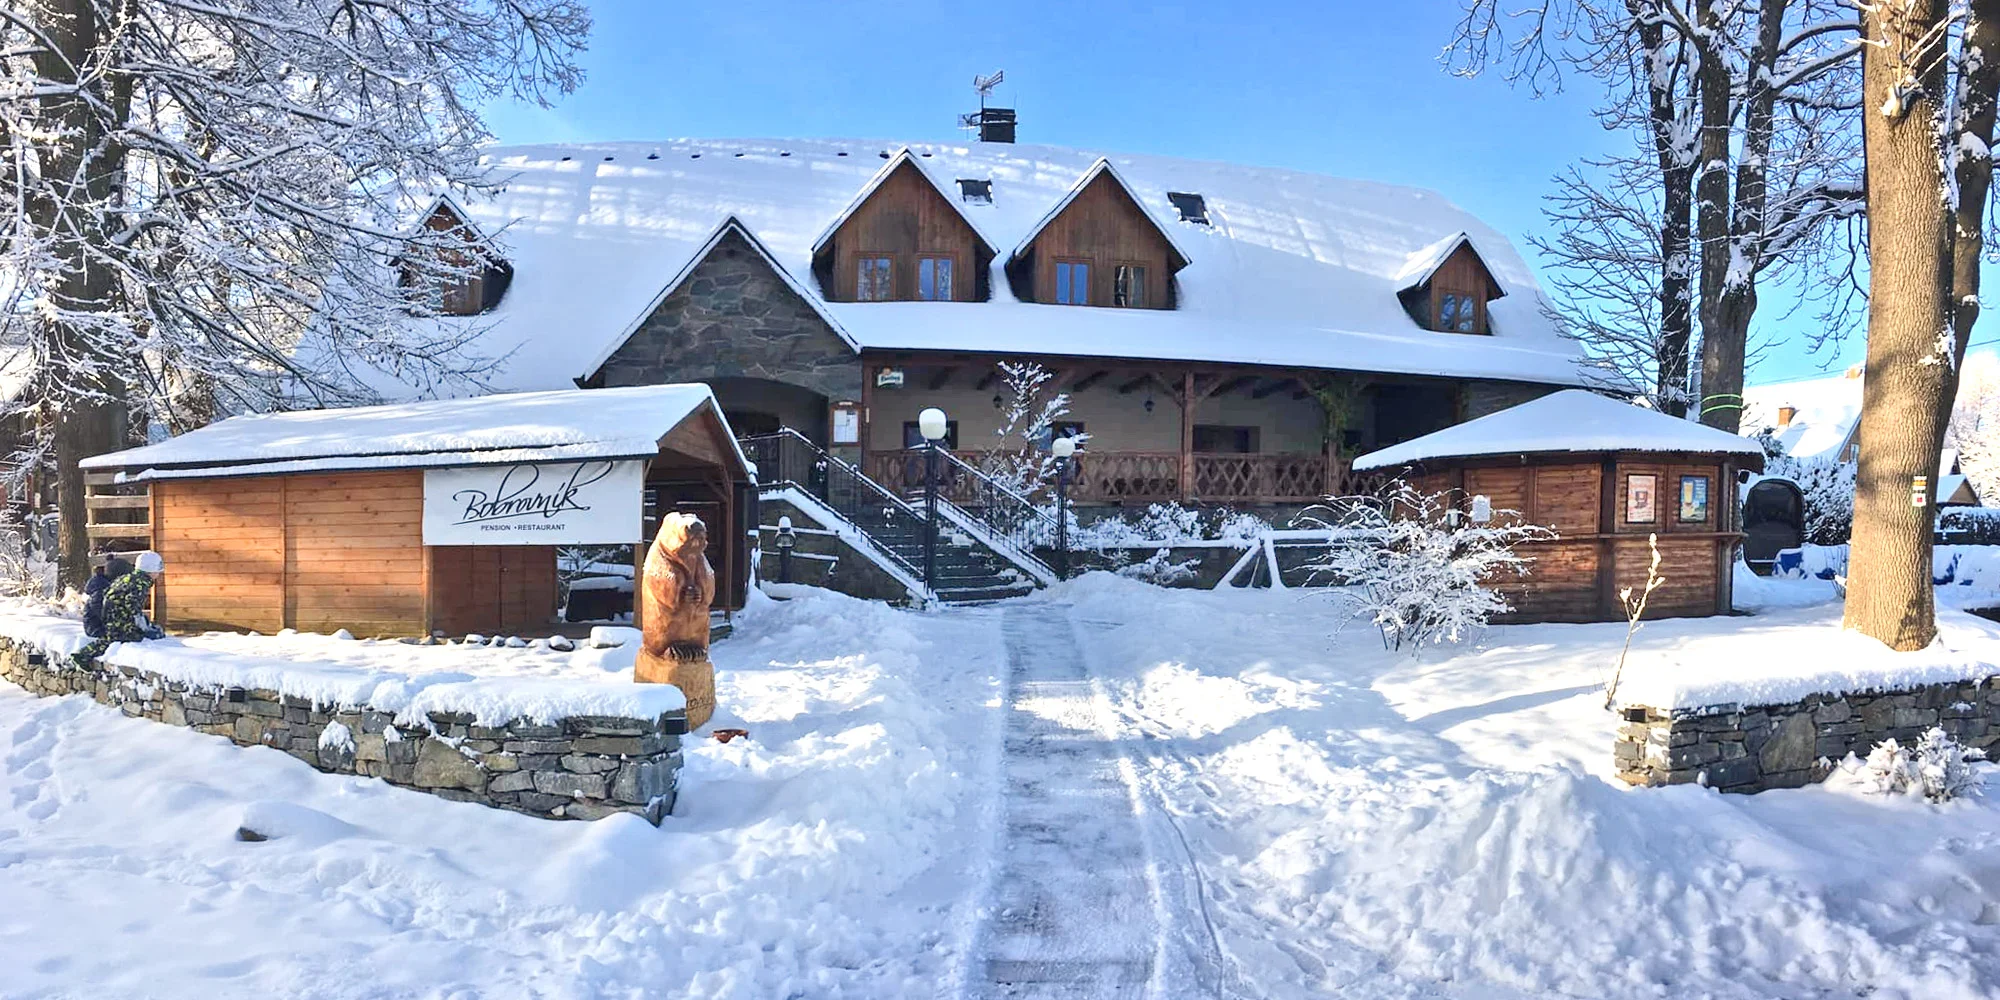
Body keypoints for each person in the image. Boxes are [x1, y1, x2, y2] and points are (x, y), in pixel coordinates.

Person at [73, 551, 164, 666]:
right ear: (150, 570)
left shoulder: (130, 578)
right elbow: (132, 602)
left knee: (115, 637)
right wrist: (139, 621)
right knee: (122, 637)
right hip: (117, 616)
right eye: (157, 571)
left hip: (111, 613)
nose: (159, 574)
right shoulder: (140, 582)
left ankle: (83, 654)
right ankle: (83, 655)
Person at [80, 554, 131, 639]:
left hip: (105, 627)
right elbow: (102, 612)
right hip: (96, 629)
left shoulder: (108, 587)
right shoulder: (100, 590)